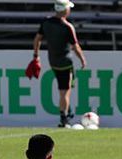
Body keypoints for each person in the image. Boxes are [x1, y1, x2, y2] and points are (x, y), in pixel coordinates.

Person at [33, 0, 87, 128]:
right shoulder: (67, 26)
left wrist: (36, 55)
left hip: (53, 61)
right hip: (65, 63)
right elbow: (76, 46)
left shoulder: (46, 22)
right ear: (64, 10)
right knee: (65, 91)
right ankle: (64, 117)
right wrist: (82, 60)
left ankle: (66, 112)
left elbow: (37, 39)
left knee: (63, 89)